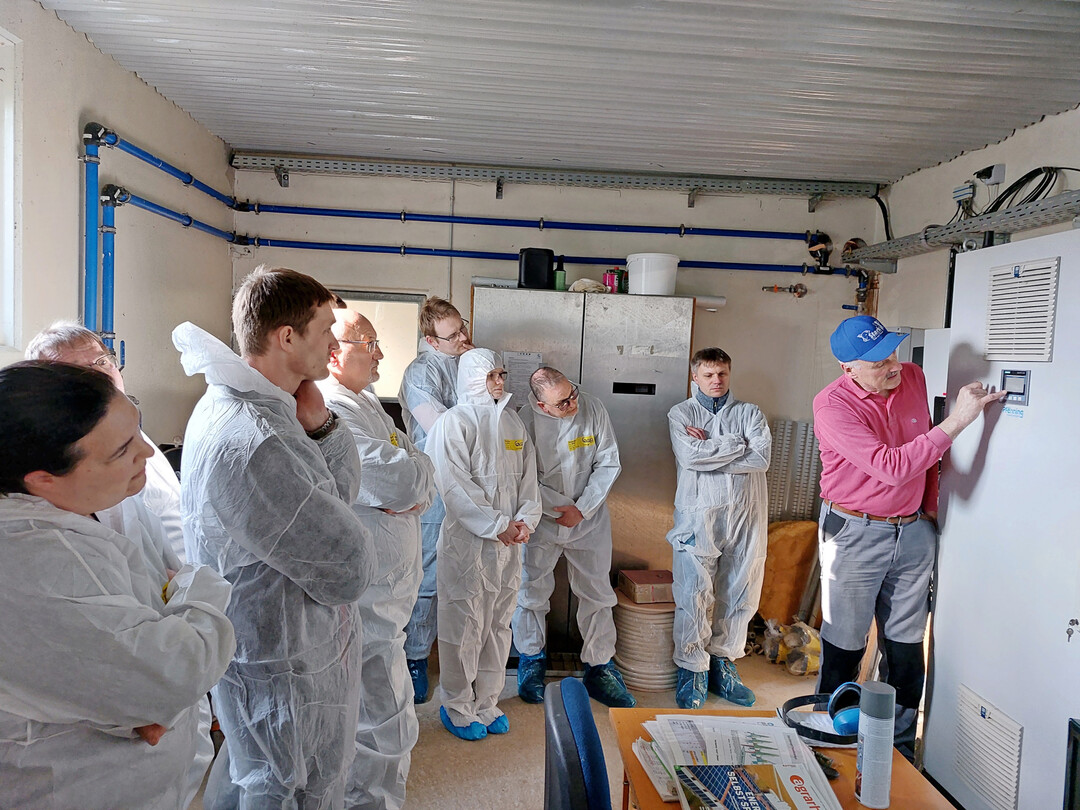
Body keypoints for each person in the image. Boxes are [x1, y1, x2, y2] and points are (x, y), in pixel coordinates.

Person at [174, 265, 375, 809]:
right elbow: (349, 566)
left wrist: (324, 428)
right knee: (282, 787)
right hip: (284, 667)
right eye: (325, 328)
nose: (334, 342)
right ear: (287, 337)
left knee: (257, 780)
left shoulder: (274, 414)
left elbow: (342, 497)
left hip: (285, 656)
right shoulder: (256, 438)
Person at [0, 361, 236, 809]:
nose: (148, 454)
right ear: (42, 479)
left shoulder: (95, 499)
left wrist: (137, 700)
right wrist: (197, 587)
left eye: (138, 431)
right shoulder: (33, 561)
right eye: (122, 450)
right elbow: (176, 670)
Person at [813, 315, 1005, 757]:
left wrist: (931, 512)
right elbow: (893, 467)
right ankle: (825, 741)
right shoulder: (832, 407)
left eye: (893, 352)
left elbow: (924, 455)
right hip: (854, 531)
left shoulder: (913, 378)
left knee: (905, 645)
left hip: (913, 530)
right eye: (879, 361)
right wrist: (958, 420)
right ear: (849, 369)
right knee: (845, 643)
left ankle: (894, 749)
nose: (893, 365)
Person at [317, 307, 435, 810]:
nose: (380, 353)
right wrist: (410, 483)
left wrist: (411, 483)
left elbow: (423, 469)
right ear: (333, 352)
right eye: (369, 342)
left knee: (387, 715)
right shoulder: (328, 410)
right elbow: (403, 479)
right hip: (365, 595)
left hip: (389, 594)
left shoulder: (364, 402)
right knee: (377, 720)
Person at [426, 349, 542, 740]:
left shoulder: (512, 423)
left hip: (508, 547)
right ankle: (456, 705)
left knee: (498, 624)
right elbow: (453, 485)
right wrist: (496, 525)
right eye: (492, 375)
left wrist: (526, 519)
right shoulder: (453, 423)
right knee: (464, 625)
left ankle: (488, 702)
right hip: (468, 545)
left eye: (502, 374)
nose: (499, 381)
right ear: (472, 378)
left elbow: (529, 479)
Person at [512, 366, 636, 708]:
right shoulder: (522, 420)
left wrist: (582, 508)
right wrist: (559, 509)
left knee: (597, 592)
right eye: (562, 402)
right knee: (530, 590)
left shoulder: (593, 408)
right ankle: (531, 660)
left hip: (589, 519)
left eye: (572, 394)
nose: (572, 403)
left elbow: (609, 463)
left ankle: (600, 666)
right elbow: (521, 477)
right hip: (542, 520)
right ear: (541, 406)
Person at [25, 321, 186, 561]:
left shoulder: (132, 433)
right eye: (78, 371)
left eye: (102, 361)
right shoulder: (72, 466)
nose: (100, 374)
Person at [667, 347, 772, 710]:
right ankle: (692, 669)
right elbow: (690, 457)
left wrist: (709, 448)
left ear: (729, 374)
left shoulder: (750, 413)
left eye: (722, 374)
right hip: (699, 515)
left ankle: (723, 663)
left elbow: (760, 458)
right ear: (694, 376)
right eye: (708, 375)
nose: (716, 381)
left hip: (746, 516)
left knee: (741, 589)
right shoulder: (681, 413)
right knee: (693, 591)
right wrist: (733, 443)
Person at [397, 296, 474, 702]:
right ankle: (415, 658)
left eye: (463, 328)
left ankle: (464, 660)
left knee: (468, 574)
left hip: (474, 483)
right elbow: (441, 429)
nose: (463, 338)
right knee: (427, 577)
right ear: (431, 339)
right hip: (437, 484)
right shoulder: (419, 375)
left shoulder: (470, 362)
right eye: (452, 334)